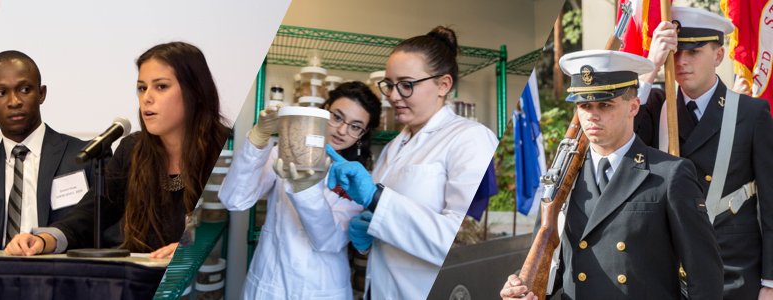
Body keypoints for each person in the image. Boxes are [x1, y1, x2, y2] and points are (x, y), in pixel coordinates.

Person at [500, 50, 723, 300]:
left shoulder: (669, 174)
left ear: (634, 106)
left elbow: (704, 274)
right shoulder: (563, 177)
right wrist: (522, 287)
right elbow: (551, 263)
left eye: (605, 104)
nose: (593, 115)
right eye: (584, 105)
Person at [4, 42, 230, 257]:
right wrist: (44, 240)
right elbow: (89, 214)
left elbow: (229, 225)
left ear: (196, 92)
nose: (146, 98)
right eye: (142, 88)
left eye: (161, 86)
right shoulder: (132, 150)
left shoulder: (226, 148)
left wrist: (191, 245)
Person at [324, 26, 499, 299]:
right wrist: (370, 231)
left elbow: (465, 240)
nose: (393, 96)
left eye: (406, 85)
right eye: (389, 85)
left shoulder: (471, 139)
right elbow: (392, 226)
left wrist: (377, 200)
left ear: (443, 85)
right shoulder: (395, 145)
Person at [634, 7, 773, 299]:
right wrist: (651, 66)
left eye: (694, 52)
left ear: (719, 56)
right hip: (665, 272)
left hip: (732, 273)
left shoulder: (750, 112)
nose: (682, 61)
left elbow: (771, 205)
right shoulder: (655, 107)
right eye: (675, 52)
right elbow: (621, 136)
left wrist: (770, 284)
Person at [219, 81, 381, 299]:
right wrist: (259, 136)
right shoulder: (284, 152)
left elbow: (329, 240)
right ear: (325, 111)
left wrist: (306, 188)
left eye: (355, 126)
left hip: (322, 287)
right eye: (337, 117)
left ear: (363, 133)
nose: (342, 130)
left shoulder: (358, 178)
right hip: (270, 282)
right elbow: (234, 199)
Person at [0, 50, 95, 250]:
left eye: (25, 89)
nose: (14, 102)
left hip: (64, 277)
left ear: (42, 93)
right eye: (2, 93)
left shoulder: (86, 157)